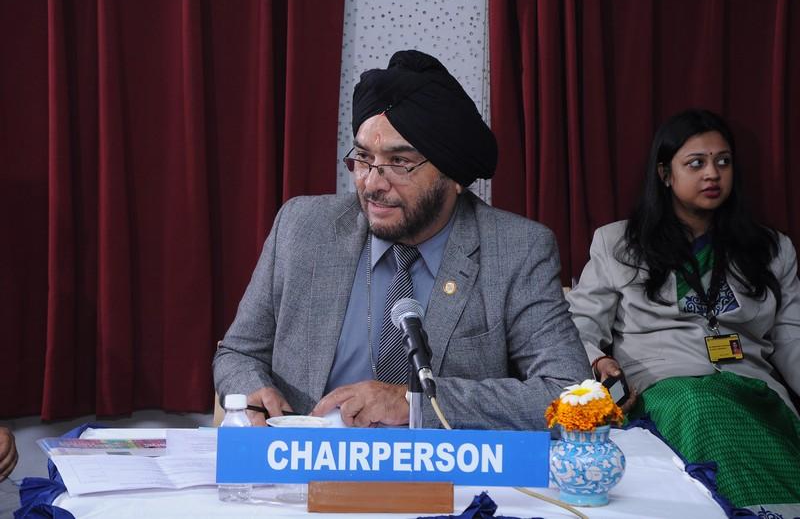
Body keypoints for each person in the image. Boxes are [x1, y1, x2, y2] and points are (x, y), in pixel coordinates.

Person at [213, 50, 590, 430]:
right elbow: (238, 353)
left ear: (454, 176)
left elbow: (570, 395)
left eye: (399, 163)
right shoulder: (303, 227)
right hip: (308, 461)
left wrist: (414, 402)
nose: (372, 183)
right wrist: (251, 389)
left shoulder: (517, 251)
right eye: (363, 158)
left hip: (442, 466)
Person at [567, 109, 800, 511]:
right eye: (696, 163)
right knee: (698, 403)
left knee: (735, 412)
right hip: (667, 390)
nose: (712, 174)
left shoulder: (771, 249)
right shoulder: (619, 244)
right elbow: (578, 326)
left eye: (723, 162)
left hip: (751, 390)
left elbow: (792, 338)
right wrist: (598, 361)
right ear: (665, 174)